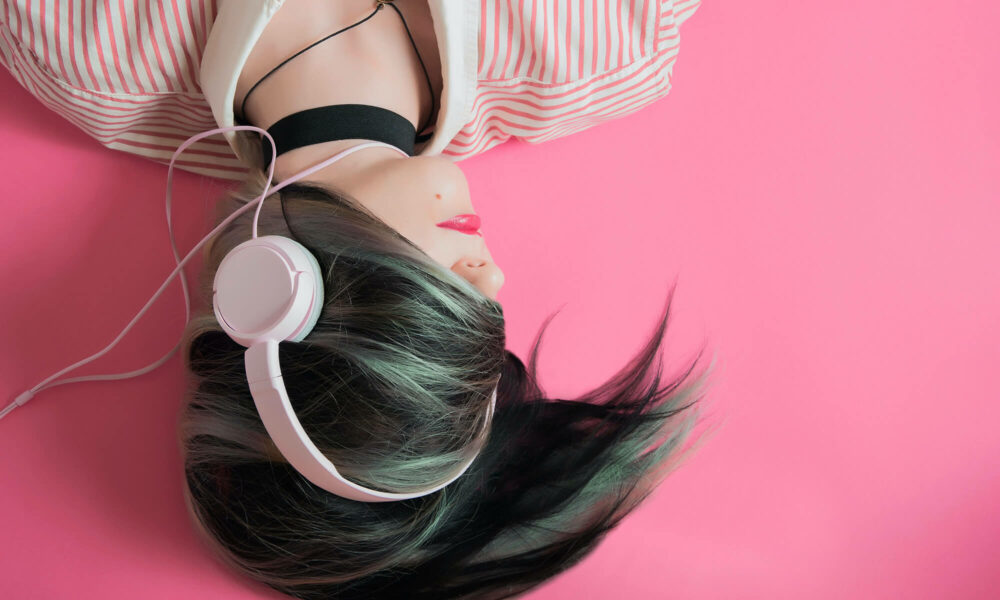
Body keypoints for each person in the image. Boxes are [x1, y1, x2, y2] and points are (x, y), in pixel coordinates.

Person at [1, 2, 713, 599]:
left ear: (276, 292)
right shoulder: (603, 41)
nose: (491, 285)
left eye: (441, 313)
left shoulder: (82, 44)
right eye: (486, 338)